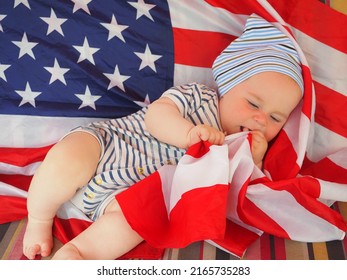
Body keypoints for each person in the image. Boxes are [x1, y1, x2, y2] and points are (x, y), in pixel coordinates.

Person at [22, 14, 304, 260]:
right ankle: (39, 217)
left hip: (129, 193)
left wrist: (253, 160)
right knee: (67, 160)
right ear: (227, 87)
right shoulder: (198, 96)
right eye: (254, 104)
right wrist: (188, 134)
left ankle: (80, 253)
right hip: (110, 144)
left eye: (276, 118)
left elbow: (234, 196)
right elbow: (156, 116)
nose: (261, 119)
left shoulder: (242, 148)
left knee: (132, 224)